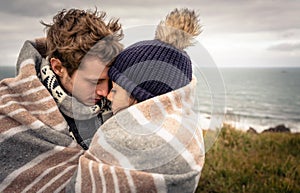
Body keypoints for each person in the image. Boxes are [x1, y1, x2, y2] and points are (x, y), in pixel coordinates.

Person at [69, 8, 205, 193]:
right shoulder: (187, 130)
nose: (108, 96)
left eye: (115, 90)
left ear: (139, 98)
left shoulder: (126, 141)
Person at [0, 8, 122, 192]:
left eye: (108, 80)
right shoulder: (8, 108)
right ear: (58, 67)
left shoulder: (120, 105)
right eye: (93, 81)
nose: (105, 92)